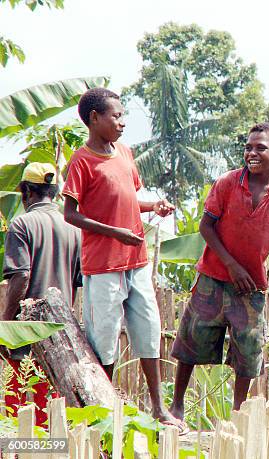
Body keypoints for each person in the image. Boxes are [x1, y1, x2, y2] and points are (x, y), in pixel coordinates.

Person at [169, 123, 269, 417]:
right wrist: (231, 265)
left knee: (248, 352)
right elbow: (205, 227)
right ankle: (177, 406)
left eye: (261, 147)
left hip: (250, 288)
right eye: (248, 147)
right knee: (190, 342)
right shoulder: (228, 183)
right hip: (212, 277)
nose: (252, 152)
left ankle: (237, 413)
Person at [62, 88, 182, 429]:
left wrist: (152, 206)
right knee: (105, 338)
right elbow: (70, 214)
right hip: (102, 266)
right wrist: (115, 232)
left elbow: (128, 199)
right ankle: (105, 409)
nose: (122, 122)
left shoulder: (125, 153)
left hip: (136, 260)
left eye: (122, 115)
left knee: (148, 331)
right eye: (116, 116)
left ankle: (159, 408)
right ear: (94, 118)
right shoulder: (81, 161)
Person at [2, 162, 81, 426]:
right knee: (53, 419)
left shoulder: (22, 224)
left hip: (26, 338)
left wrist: (7, 324)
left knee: (20, 418)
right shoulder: (74, 229)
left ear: (27, 192)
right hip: (61, 339)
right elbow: (77, 283)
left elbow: (21, 276)